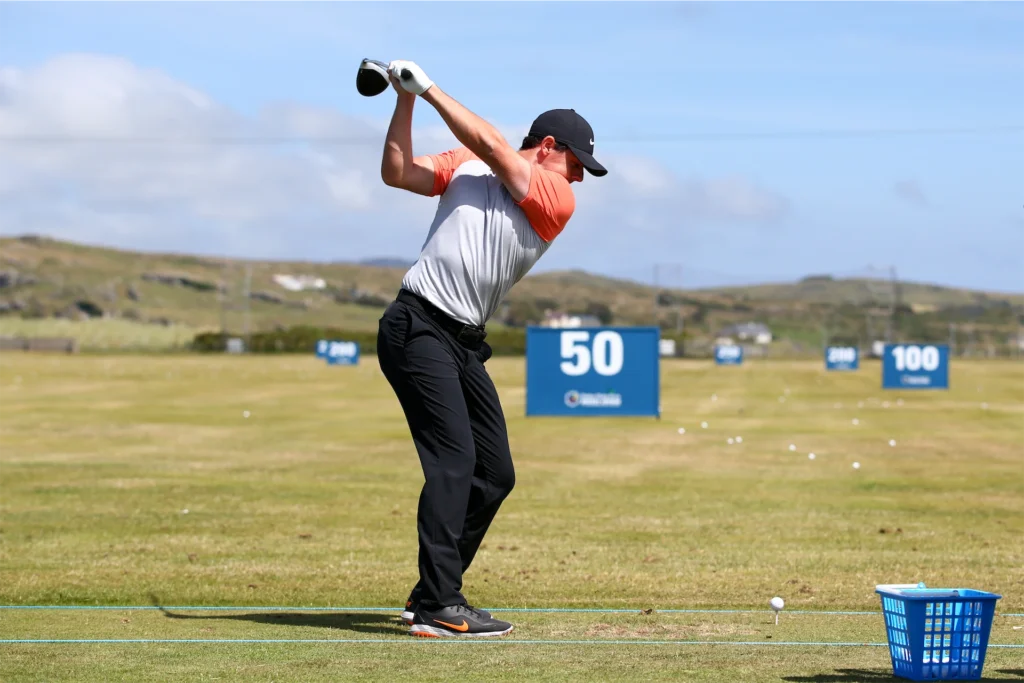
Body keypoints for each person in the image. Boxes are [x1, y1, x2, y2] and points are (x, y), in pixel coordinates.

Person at [374, 59, 607, 638]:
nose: (578, 179)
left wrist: (426, 87)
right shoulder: (467, 165)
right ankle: (438, 606)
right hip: (417, 325)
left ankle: (428, 596)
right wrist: (405, 98)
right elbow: (397, 172)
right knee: (453, 462)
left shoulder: (554, 198)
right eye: (577, 164)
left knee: (494, 473)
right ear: (549, 147)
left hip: (461, 340)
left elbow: (491, 143)